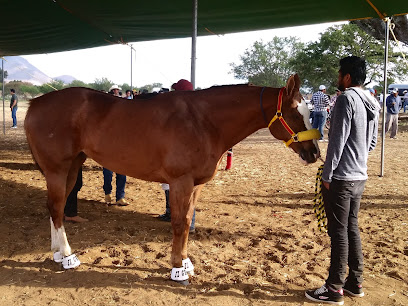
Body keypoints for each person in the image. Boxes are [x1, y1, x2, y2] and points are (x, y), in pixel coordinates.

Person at [305, 56, 380, 305]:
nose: (338, 78)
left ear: (346, 77)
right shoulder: (371, 100)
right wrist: (357, 157)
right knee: (351, 228)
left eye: (339, 74)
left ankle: (334, 288)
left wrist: (328, 174)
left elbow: (337, 141)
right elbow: (371, 143)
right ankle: (354, 282)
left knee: (338, 232)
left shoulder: (346, 99)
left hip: (341, 177)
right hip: (360, 175)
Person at [158, 79, 195, 233]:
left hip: (185, 158)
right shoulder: (192, 109)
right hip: (182, 156)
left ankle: (189, 222)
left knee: (187, 192)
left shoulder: (184, 111)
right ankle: (170, 213)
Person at [102, 85, 129, 206]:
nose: (116, 92)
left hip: (120, 149)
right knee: (108, 174)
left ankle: (120, 197)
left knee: (121, 174)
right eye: (114, 91)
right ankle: (107, 193)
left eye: (117, 91)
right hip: (107, 149)